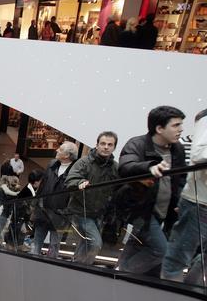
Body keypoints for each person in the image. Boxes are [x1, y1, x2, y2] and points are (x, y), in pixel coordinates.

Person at [117, 106, 186, 274]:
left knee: (137, 243)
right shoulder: (137, 143)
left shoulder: (178, 149)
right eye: (176, 125)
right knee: (160, 251)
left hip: (164, 210)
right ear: (159, 128)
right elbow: (126, 166)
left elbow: (181, 178)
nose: (181, 129)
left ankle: (119, 272)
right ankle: (122, 275)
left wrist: (180, 201)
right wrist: (149, 167)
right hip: (140, 209)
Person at [161, 108, 206, 284]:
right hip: (195, 201)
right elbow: (178, 175)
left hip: (195, 199)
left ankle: (189, 293)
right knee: (176, 256)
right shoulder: (181, 145)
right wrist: (178, 200)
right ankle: (171, 300)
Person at [65, 131, 119, 265]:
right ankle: (85, 268)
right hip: (81, 211)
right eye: (103, 144)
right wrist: (79, 182)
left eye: (110, 144)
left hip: (99, 213)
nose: (106, 147)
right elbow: (70, 179)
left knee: (86, 242)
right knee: (95, 243)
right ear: (97, 145)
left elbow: (120, 187)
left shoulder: (115, 167)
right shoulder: (84, 162)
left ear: (114, 147)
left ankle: (76, 265)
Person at [31, 141, 78, 258]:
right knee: (36, 242)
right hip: (43, 212)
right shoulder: (52, 164)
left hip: (59, 217)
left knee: (54, 245)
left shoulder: (75, 171)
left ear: (67, 155)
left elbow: (74, 196)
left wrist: (65, 213)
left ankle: (49, 268)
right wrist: (35, 205)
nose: (57, 150)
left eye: (60, 149)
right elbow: (42, 186)